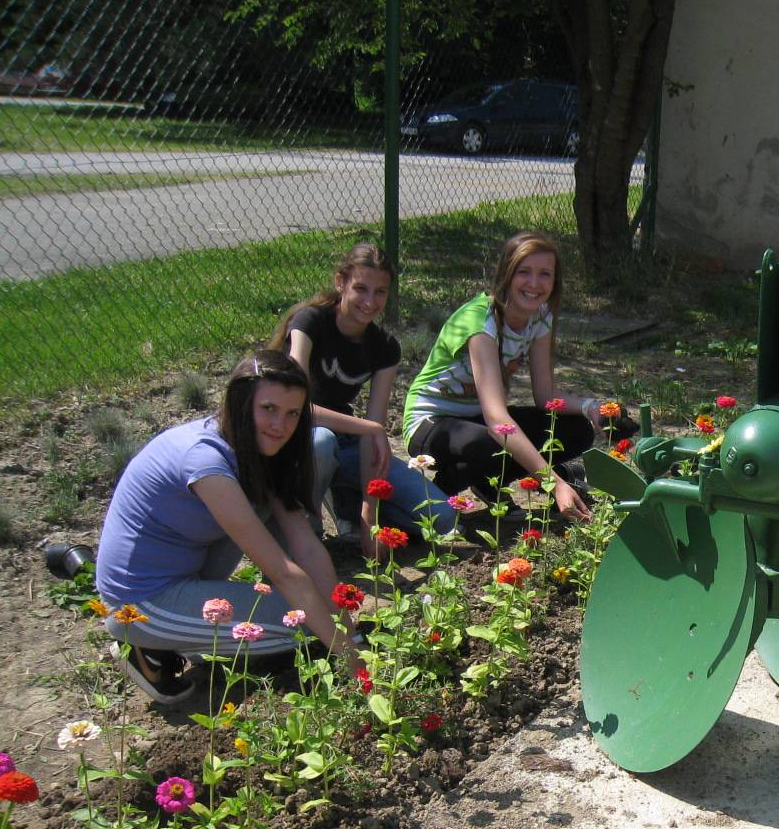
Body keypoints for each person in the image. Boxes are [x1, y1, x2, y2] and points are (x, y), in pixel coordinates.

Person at [95, 350, 362, 706]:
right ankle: (144, 648)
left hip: (187, 569)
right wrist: (356, 665)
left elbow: (308, 547)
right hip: (140, 602)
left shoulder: (259, 450)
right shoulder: (206, 462)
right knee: (302, 622)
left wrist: (347, 629)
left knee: (321, 618)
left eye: (292, 414)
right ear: (239, 403)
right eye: (268, 409)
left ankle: (180, 634)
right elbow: (284, 572)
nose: (280, 426)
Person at [402, 231, 632, 523]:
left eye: (544, 274)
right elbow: (498, 422)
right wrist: (553, 484)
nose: (534, 284)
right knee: (489, 445)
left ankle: (481, 480)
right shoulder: (478, 322)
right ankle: (439, 493)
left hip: (478, 419)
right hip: (431, 421)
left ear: (555, 281)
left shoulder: (541, 316)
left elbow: (546, 397)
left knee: (576, 431)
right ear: (506, 274)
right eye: (524, 272)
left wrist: (593, 408)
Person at [270, 244, 456, 555]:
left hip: (347, 441)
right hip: (300, 439)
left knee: (442, 518)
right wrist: (367, 428)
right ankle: (305, 531)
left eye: (380, 292)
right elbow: (295, 408)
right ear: (340, 282)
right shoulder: (309, 323)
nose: (370, 302)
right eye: (361, 289)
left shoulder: (384, 347)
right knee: (321, 442)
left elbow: (373, 431)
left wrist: (371, 517)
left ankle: (351, 509)